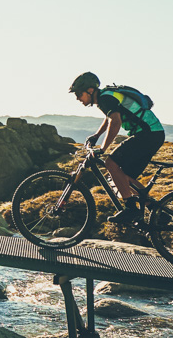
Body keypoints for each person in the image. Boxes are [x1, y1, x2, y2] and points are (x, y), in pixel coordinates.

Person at [69, 71, 166, 225]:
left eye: (79, 94)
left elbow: (115, 122)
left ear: (90, 90)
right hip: (153, 134)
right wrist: (96, 135)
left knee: (110, 163)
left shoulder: (105, 98)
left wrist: (103, 148)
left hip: (148, 134)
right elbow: (109, 118)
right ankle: (157, 210)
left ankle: (130, 209)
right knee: (124, 177)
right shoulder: (106, 98)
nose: (77, 98)